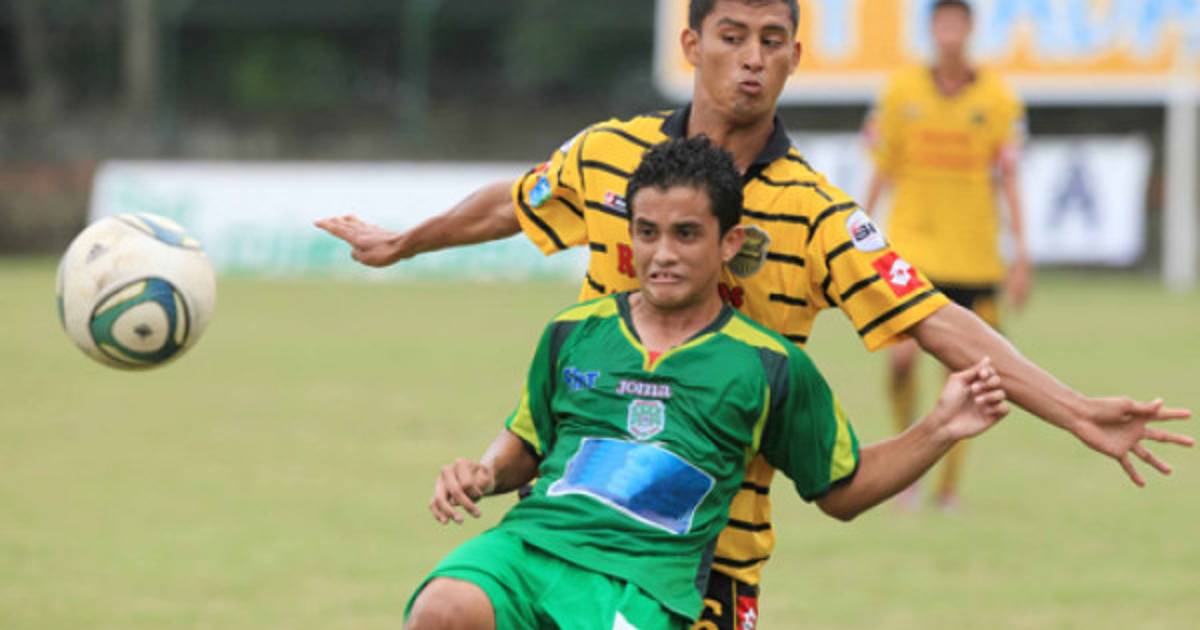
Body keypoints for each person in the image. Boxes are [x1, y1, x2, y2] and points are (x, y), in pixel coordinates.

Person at [316, 1, 1192, 627]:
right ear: (692, 43)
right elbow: (515, 202)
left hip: (706, 554)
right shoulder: (608, 154)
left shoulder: (816, 214)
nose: (751, 58)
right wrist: (407, 243)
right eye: (732, 36)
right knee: (448, 609)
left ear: (795, 57)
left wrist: (1074, 409)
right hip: (571, 514)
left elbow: (932, 317)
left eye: (772, 41)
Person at [404, 136, 1010, 630]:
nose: (663, 253)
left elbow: (841, 490)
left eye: (686, 234)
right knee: (443, 609)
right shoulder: (574, 330)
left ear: (730, 243)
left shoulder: (767, 364)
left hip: (644, 580)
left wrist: (939, 428)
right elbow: (529, 443)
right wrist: (483, 472)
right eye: (647, 232)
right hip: (532, 545)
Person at [862, 0, 1028, 510]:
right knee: (900, 361)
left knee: (972, 377)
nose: (950, 32)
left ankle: (948, 488)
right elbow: (882, 167)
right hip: (913, 249)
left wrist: (1021, 254)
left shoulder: (998, 98)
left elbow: (1009, 177)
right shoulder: (900, 91)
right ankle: (906, 470)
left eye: (959, 23)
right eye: (942, 23)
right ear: (932, 29)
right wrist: (857, 234)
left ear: (970, 30)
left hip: (974, 256)